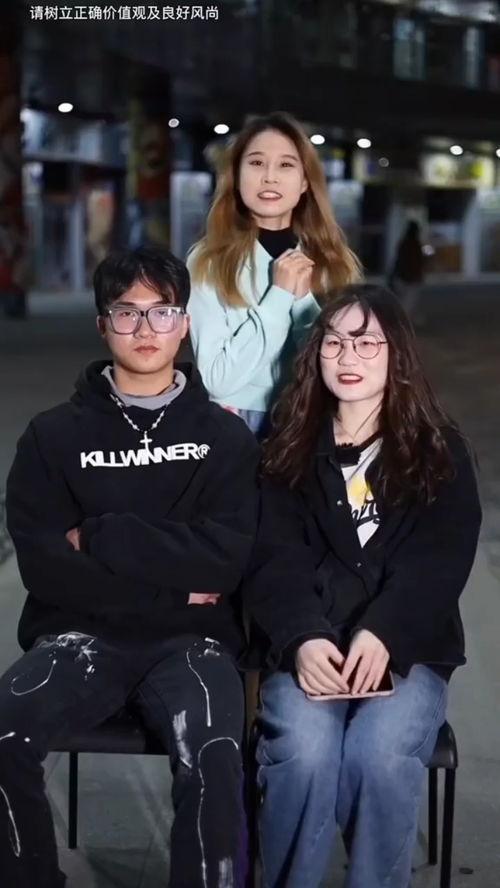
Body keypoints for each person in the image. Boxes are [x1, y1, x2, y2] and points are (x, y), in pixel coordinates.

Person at [0, 246, 260, 888]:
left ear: (185, 323)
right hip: (77, 637)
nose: (145, 329)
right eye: (126, 312)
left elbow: (226, 559)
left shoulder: (225, 438)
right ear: (102, 324)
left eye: (162, 311)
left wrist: (102, 535)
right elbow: (47, 569)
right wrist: (173, 586)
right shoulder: (52, 437)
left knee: (214, 754)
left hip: (194, 643)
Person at [244, 284, 481, 888]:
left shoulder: (438, 451)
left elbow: (439, 563)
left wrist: (384, 632)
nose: (349, 357)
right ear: (316, 354)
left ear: (397, 354)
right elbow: (272, 559)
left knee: (378, 755)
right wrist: (302, 637)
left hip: (405, 652)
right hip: (310, 648)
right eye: (335, 342)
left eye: (368, 342)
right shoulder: (287, 448)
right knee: (305, 750)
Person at [187, 111, 360, 439]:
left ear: (305, 181)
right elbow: (218, 380)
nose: (269, 177)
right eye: (256, 163)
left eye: (285, 165)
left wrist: (303, 301)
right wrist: (278, 298)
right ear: (236, 175)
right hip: (236, 429)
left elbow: (340, 364)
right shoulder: (209, 260)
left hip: (314, 424)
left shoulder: (334, 262)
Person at [390, 219, 425, 323]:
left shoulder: (404, 243)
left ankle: (404, 320)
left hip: (402, 276)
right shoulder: (415, 245)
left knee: (404, 301)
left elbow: (398, 260)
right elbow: (417, 262)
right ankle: (403, 322)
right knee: (408, 302)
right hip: (411, 277)